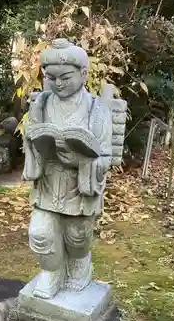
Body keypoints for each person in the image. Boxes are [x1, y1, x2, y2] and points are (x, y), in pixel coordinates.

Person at [23, 38, 113, 300]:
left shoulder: (96, 110)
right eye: (51, 78)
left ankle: (79, 267)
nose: (58, 83)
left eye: (65, 77)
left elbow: (105, 156)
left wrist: (80, 160)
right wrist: (36, 144)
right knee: (40, 233)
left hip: (79, 186)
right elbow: (31, 143)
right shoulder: (40, 104)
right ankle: (51, 272)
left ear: (83, 74)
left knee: (78, 237)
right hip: (49, 182)